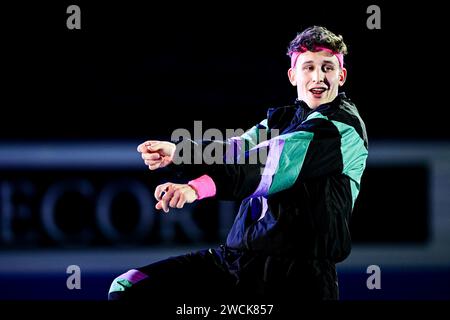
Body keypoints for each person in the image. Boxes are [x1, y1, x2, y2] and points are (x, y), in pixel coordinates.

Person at [108, 26, 368, 302]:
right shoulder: (281, 120)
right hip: (237, 264)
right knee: (128, 287)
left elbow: (260, 167)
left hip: (298, 279)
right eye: (308, 67)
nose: (318, 77)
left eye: (327, 68)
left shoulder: (341, 129)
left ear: (341, 76)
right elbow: (236, 150)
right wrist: (180, 152)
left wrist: (196, 189)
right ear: (293, 76)